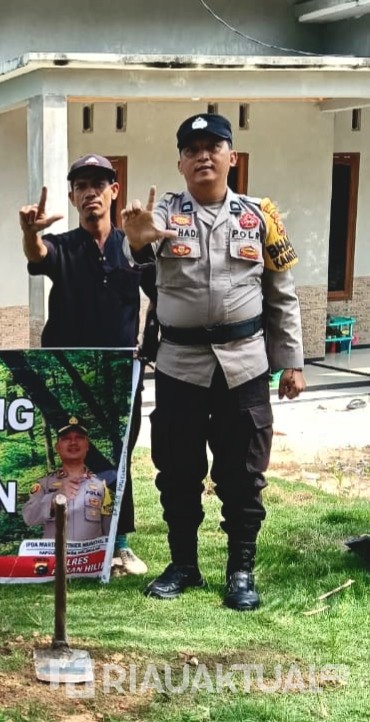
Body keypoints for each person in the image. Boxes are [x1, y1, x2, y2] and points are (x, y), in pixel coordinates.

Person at [122, 113, 306, 611]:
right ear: (180, 163)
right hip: (180, 365)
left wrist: (292, 361)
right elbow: (139, 252)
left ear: (231, 156)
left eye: (213, 146)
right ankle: (183, 565)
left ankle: (240, 570)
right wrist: (136, 239)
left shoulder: (260, 217)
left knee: (243, 473)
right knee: (177, 469)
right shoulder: (163, 213)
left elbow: (282, 295)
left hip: (244, 365)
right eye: (192, 149)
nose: (203, 156)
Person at [19, 153, 152, 575]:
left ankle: (119, 542)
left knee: (118, 457)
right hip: (70, 376)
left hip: (121, 377)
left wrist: (144, 243)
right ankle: (65, 540)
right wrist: (29, 233)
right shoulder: (64, 246)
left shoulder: (132, 246)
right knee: (72, 454)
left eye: (99, 184)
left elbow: (162, 288)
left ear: (114, 190)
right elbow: (39, 254)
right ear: (73, 196)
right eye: (81, 186)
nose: (91, 192)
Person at [22, 417, 113, 542]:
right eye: (66, 438)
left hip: (91, 555)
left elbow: (110, 532)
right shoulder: (44, 484)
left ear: (87, 445)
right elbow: (29, 517)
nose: (73, 442)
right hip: (54, 554)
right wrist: (54, 498)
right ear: (57, 447)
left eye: (79, 437)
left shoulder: (101, 486)